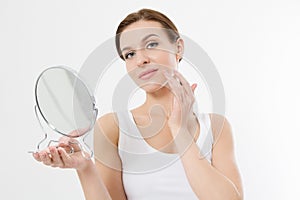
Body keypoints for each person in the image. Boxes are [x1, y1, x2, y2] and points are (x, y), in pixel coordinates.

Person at [33, 8, 243, 200]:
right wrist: (85, 168)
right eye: (129, 54)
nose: (140, 60)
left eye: (151, 44)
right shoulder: (113, 127)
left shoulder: (216, 128)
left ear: (178, 48)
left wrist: (180, 131)